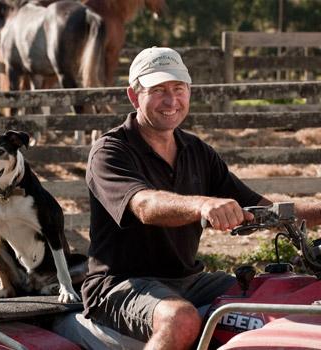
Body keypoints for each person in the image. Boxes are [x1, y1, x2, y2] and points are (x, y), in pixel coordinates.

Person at [81, 47, 321, 349]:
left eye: (178, 88)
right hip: (119, 284)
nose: (171, 101)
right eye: (157, 90)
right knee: (180, 319)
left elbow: (264, 208)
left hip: (189, 280)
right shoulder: (110, 151)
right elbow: (144, 205)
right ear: (133, 95)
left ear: (189, 91)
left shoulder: (197, 151)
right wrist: (203, 204)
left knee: (280, 294)